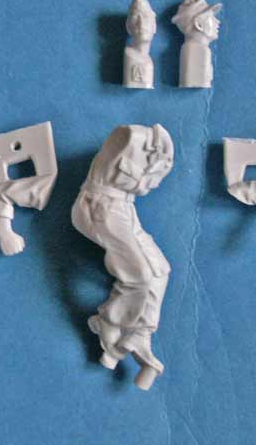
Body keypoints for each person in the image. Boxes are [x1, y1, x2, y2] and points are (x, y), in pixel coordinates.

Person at [71, 124, 174, 390]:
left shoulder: (161, 154)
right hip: (100, 206)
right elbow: (139, 184)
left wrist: (157, 166)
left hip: (124, 208)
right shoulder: (129, 137)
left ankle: (141, 333)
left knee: (160, 270)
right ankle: (107, 322)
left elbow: (143, 187)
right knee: (139, 276)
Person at [171, 0, 222, 88]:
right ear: (198, 24)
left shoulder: (198, 49)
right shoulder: (199, 51)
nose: (217, 21)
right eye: (211, 17)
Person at [123, 0, 157, 88]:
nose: (141, 23)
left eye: (146, 17)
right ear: (128, 26)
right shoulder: (129, 56)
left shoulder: (148, 59)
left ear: (154, 26)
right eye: (135, 17)